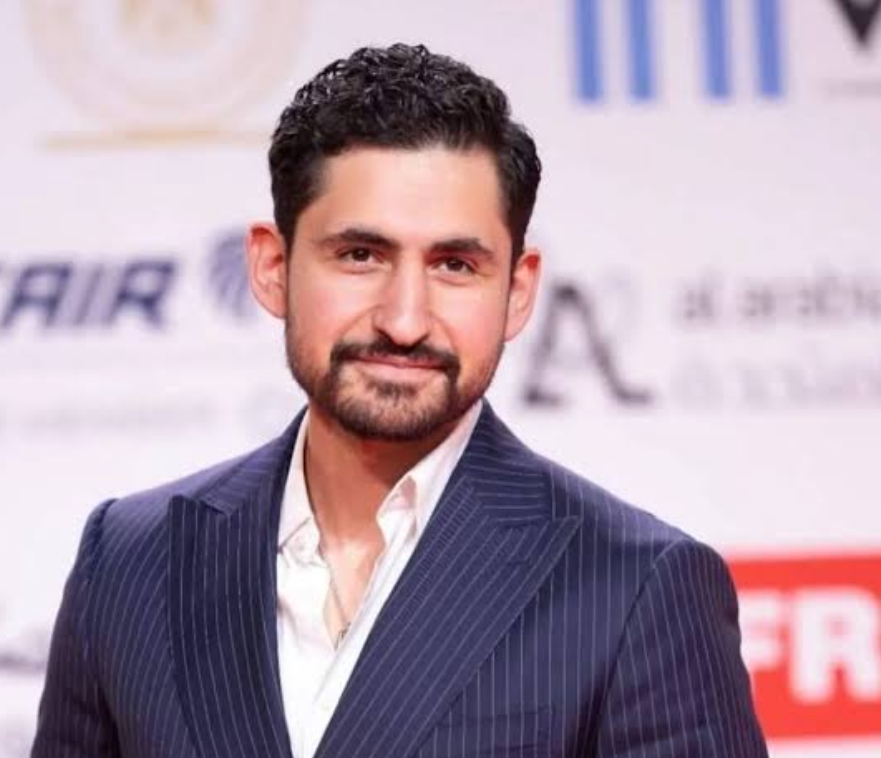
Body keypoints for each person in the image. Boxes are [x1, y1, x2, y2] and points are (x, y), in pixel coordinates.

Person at [32, 43, 768, 758]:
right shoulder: (129, 559)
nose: (405, 320)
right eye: (360, 255)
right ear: (272, 266)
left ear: (517, 291)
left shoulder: (634, 586)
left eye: (455, 265)